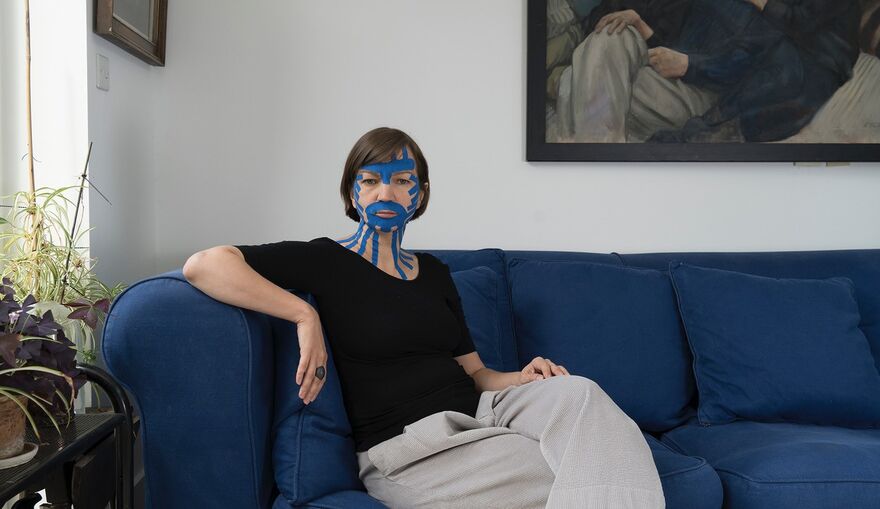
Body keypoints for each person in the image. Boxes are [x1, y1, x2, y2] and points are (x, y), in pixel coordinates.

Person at [182, 127, 665, 509]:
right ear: (352, 194)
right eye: (370, 180)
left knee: (579, 392)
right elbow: (204, 264)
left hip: (481, 414)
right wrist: (303, 313)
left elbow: (476, 374)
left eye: (401, 179)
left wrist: (524, 377)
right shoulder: (325, 259)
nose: (385, 192)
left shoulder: (434, 272)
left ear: (420, 194)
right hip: (409, 451)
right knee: (578, 464)